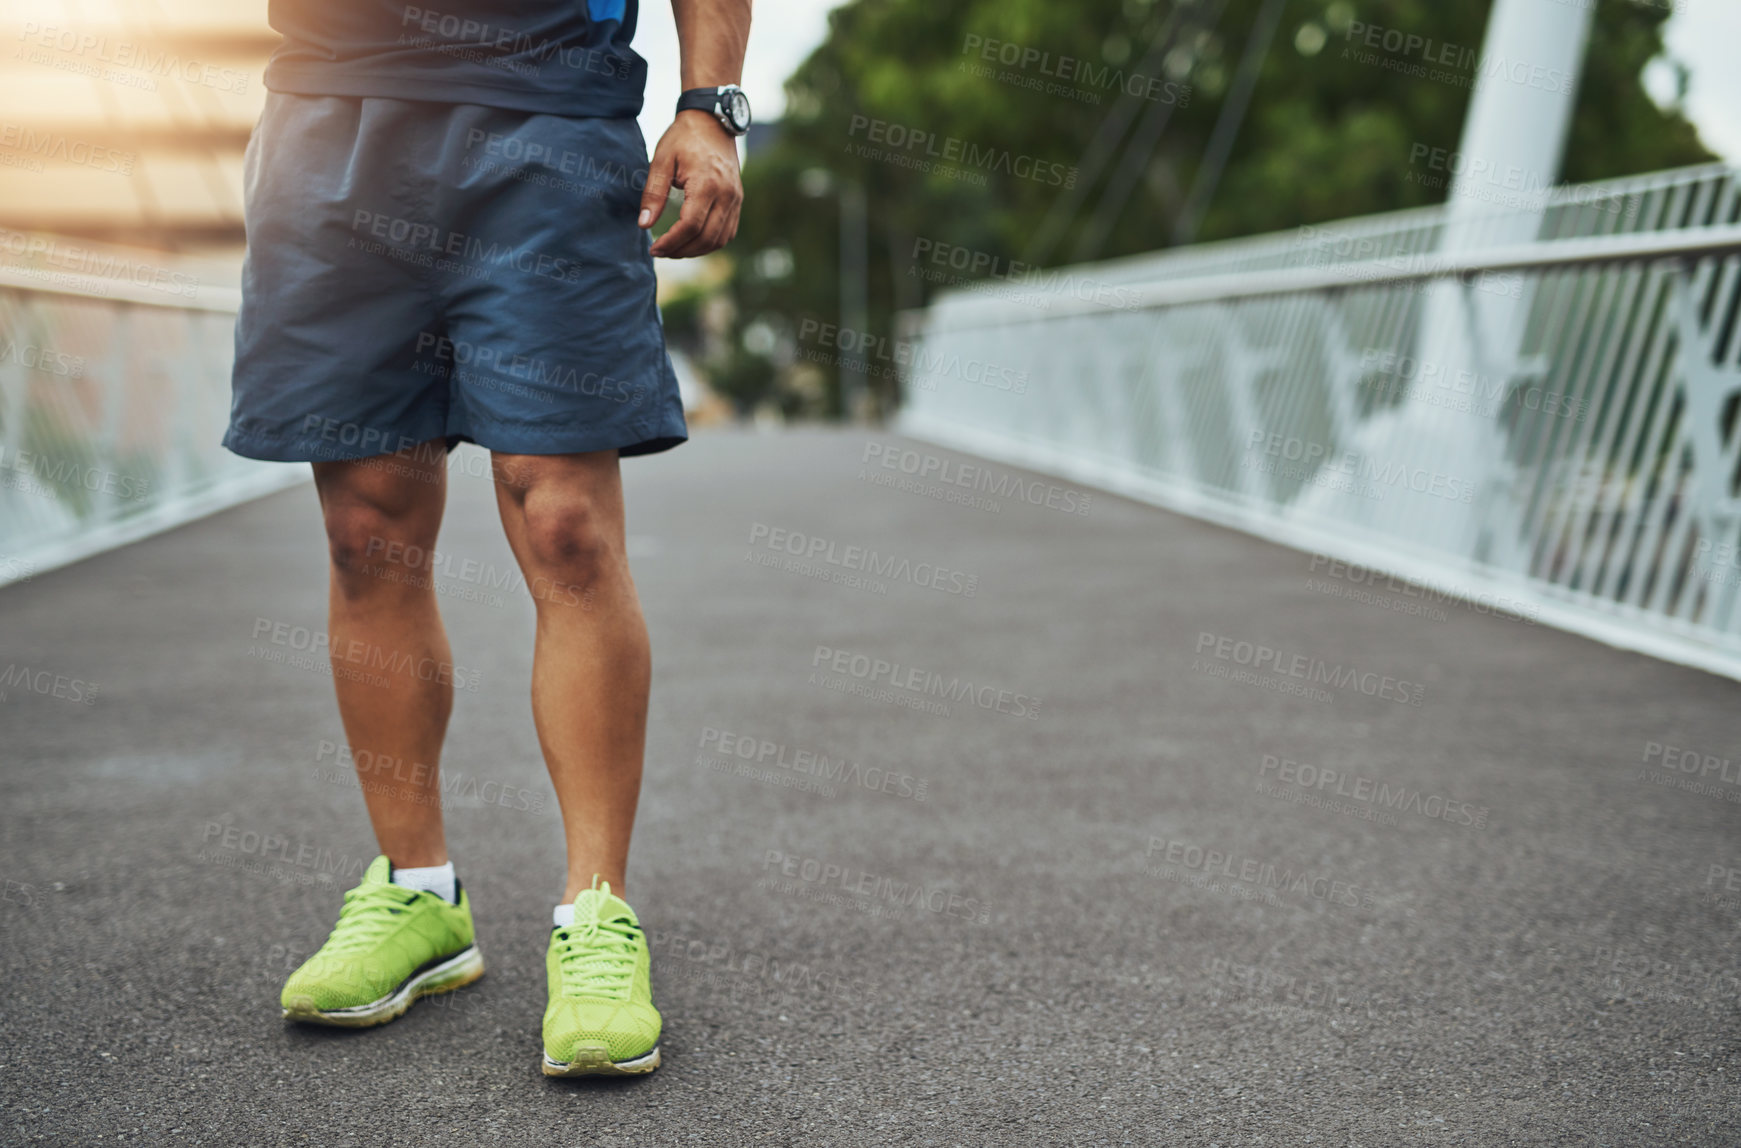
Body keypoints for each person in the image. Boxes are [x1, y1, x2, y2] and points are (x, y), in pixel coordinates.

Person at [223, 0, 752, 1076]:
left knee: (563, 522)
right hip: (333, 107)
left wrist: (708, 105)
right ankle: (418, 894)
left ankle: (596, 912)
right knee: (366, 525)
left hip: (549, 106)